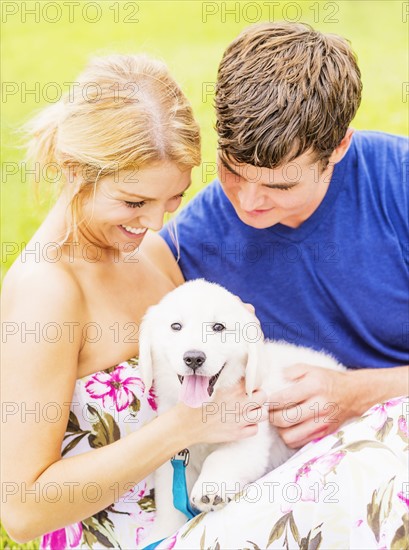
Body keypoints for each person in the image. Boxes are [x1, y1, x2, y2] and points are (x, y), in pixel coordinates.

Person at [151, 22, 409, 548]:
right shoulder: (191, 243)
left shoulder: (398, 184)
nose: (247, 202)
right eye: (231, 171)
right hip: (288, 475)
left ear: (338, 147)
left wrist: (364, 393)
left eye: (280, 185)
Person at [0, 54, 268, 549]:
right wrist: (183, 426)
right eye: (133, 202)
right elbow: (22, 510)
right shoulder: (48, 291)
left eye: (173, 200)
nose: (155, 225)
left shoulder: (144, 250)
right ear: (74, 169)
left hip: (208, 514)